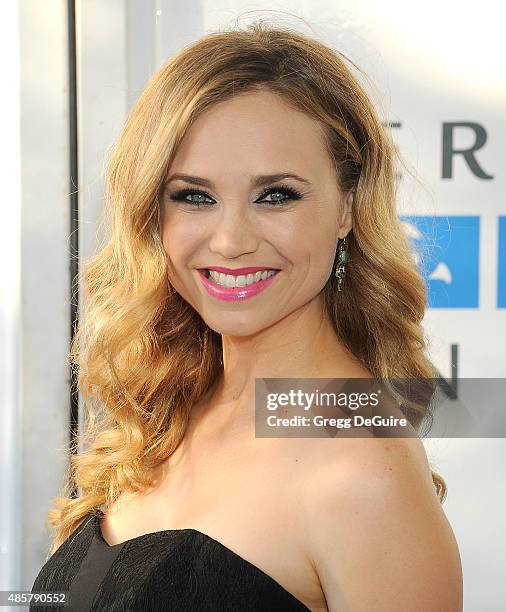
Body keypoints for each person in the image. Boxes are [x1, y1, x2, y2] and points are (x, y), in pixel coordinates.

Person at [31, 21, 463, 611]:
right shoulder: (166, 417)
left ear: (348, 206)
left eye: (276, 195)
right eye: (194, 196)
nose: (230, 240)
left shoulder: (361, 471)